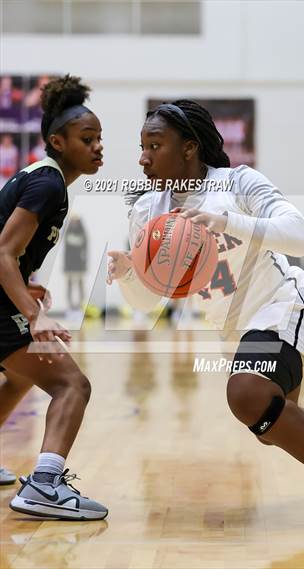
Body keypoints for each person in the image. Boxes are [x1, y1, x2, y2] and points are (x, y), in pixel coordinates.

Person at [108, 100, 304, 531]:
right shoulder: (147, 211)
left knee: (247, 395)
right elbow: (147, 302)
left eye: (154, 145)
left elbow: (299, 236)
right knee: (271, 426)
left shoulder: (238, 183)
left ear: (189, 148)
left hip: (284, 305)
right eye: (141, 146)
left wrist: (227, 222)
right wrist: (129, 275)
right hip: (234, 328)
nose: (143, 157)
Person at [0, 75, 107, 520]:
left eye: (100, 138)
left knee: (22, 379)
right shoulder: (48, 184)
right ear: (57, 142)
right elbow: (3, 251)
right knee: (72, 385)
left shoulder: (42, 178)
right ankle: (44, 485)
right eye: (88, 138)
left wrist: (24, 282)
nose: (98, 146)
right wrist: (33, 312)